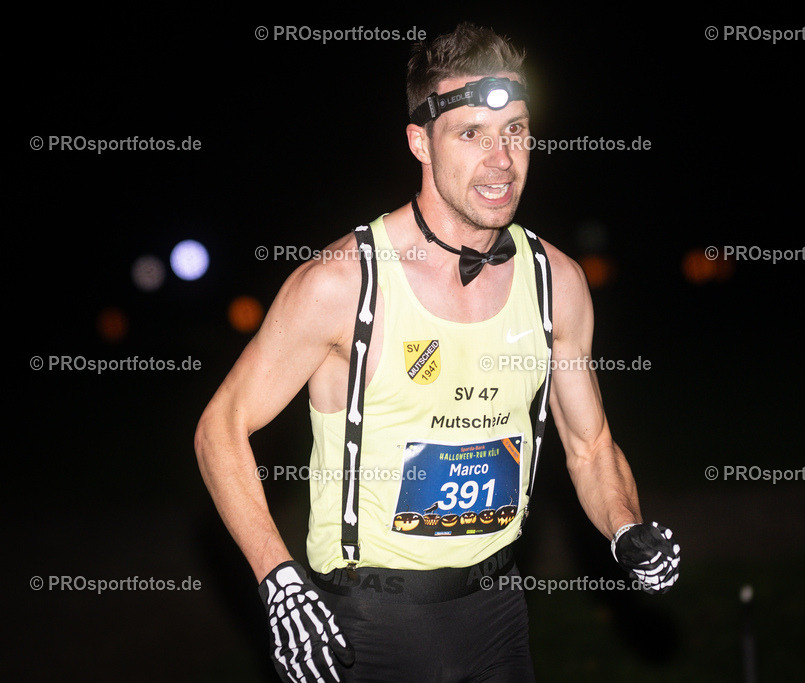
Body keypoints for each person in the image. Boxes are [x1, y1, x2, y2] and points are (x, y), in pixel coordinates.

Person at [194, 22, 680, 683]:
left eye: (515, 130)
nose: (502, 157)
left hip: (499, 611)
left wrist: (626, 528)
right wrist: (277, 579)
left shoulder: (555, 282)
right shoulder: (343, 282)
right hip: (364, 626)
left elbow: (591, 446)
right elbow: (221, 426)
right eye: (472, 133)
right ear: (420, 142)